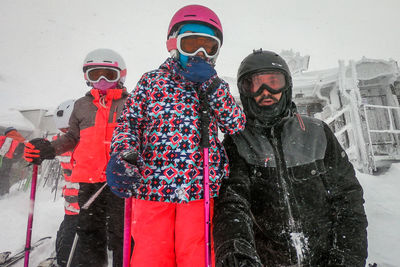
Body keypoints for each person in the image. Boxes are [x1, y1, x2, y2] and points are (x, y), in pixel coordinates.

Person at [106, 4, 245, 267]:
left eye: (209, 47)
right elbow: (128, 123)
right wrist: (124, 154)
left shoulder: (214, 85)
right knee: (151, 255)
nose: (200, 53)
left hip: (199, 187)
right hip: (151, 186)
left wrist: (212, 85)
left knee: (195, 254)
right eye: (191, 44)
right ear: (174, 44)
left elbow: (235, 124)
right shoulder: (151, 81)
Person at [213, 49, 368, 267]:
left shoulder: (317, 133)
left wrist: (346, 258)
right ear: (244, 90)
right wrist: (238, 255)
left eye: (273, 82)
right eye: (255, 84)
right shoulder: (237, 142)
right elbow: (231, 206)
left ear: (287, 86)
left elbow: (348, 200)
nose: (265, 92)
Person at [23, 48, 128, 267]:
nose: (101, 80)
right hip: (90, 181)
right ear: (87, 77)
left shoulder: (131, 103)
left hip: (120, 181)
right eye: (94, 74)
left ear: (120, 76)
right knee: (89, 232)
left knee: (123, 234)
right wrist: (49, 149)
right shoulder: (82, 105)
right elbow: (72, 137)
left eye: (108, 75)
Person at [50, 99, 80, 267]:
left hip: (85, 203)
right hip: (75, 202)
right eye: (62, 131)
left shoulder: (59, 142)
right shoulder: (62, 142)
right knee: (69, 242)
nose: (66, 134)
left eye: (68, 130)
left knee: (69, 236)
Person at [0, 127, 25, 196]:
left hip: (4, 159)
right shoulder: (22, 139)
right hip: (12, 160)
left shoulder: (4, 138)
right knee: (5, 175)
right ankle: (5, 192)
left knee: (1, 175)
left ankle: (2, 193)